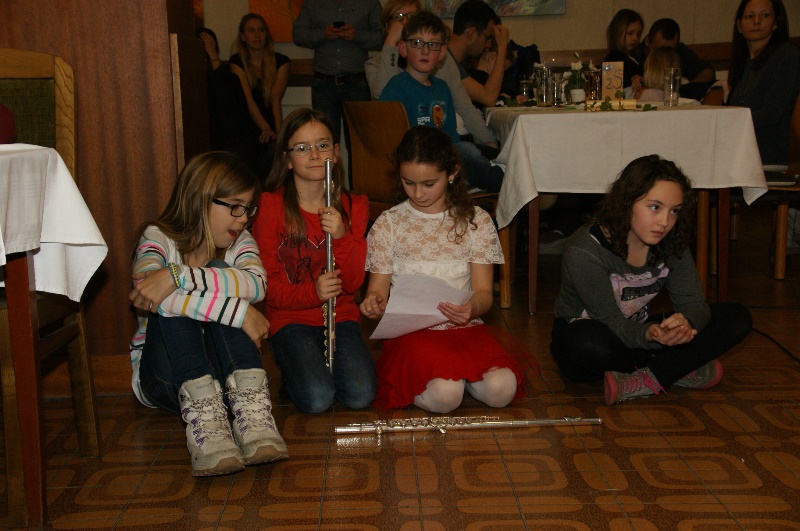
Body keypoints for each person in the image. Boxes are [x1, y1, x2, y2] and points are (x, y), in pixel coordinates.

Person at [129, 151, 287, 477]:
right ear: (200, 198)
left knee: (218, 271)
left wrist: (178, 276)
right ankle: (205, 422)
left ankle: (251, 415)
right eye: (235, 207)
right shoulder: (157, 237)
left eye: (249, 208)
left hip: (223, 380)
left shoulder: (240, 241)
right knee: (209, 287)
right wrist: (239, 312)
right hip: (164, 378)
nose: (243, 219)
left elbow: (257, 285)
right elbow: (150, 295)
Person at [550, 155, 752, 406]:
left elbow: (694, 303)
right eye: (655, 207)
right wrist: (651, 335)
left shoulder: (671, 241)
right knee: (589, 344)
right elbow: (612, 322)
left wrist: (685, 323)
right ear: (626, 202)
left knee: (737, 317)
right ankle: (674, 369)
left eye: (674, 211)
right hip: (594, 334)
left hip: (642, 334)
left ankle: (649, 376)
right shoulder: (584, 251)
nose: (665, 222)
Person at [360, 126, 524, 413]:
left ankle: (461, 375)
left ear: (452, 173)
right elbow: (377, 289)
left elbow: (484, 293)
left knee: (502, 390)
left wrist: (471, 309)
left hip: (463, 327)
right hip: (412, 333)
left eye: (428, 183)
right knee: (445, 396)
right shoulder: (390, 223)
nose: (418, 193)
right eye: (408, 182)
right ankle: (447, 379)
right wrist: (373, 302)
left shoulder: (476, 221)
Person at [251, 108, 377, 414]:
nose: (315, 155)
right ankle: (299, 371)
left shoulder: (355, 205)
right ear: (287, 159)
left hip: (340, 317)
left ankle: (315, 370)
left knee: (360, 395)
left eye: (322, 145)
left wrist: (342, 237)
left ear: (336, 151)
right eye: (302, 148)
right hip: (290, 320)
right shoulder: (269, 206)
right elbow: (268, 287)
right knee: (318, 398)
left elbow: (353, 284)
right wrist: (313, 292)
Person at [378, 11, 503, 192]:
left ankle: (487, 179)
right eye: (417, 43)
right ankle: (502, 181)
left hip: (446, 156)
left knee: (473, 151)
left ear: (442, 52)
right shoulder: (396, 88)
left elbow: (451, 136)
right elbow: (391, 141)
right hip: (417, 160)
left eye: (433, 45)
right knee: (469, 154)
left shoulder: (442, 88)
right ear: (403, 49)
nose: (425, 51)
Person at [364, 0, 499, 150]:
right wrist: (391, 42)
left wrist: (490, 143)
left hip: (446, 143)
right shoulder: (375, 66)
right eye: (398, 18)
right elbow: (384, 99)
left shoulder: (438, 59)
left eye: (412, 16)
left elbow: (465, 107)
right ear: (387, 27)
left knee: (475, 152)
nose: (405, 22)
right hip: (409, 148)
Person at [292, 0, 383, 142]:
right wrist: (322, 34)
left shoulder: (369, 3)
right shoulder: (312, 3)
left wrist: (357, 35)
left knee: (359, 141)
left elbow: (382, 37)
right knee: (324, 139)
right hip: (324, 83)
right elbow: (298, 35)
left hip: (357, 83)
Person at [727, 0, 800, 166]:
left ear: (776, 23)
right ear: (739, 25)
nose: (756, 21)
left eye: (765, 15)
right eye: (749, 16)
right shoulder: (743, 62)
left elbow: (772, 112)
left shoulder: (787, 55)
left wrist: (730, 122)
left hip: (770, 150)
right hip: (741, 145)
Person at [229, 14, 290, 181]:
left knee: (274, 150)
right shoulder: (236, 62)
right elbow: (248, 100)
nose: (257, 35)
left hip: (271, 119)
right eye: (251, 31)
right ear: (243, 36)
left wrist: (278, 132)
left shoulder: (281, 61)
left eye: (261, 30)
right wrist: (264, 128)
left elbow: (275, 98)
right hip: (247, 122)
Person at [446, 0, 509, 108]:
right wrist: (502, 46)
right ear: (471, 33)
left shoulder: (453, 60)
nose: (489, 44)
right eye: (487, 38)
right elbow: (489, 98)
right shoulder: (445, 61)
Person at [644, 18, 716, 100]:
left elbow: (707, 72)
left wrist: (682, 90)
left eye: (670, 52)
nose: (664, 56)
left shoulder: (679, 52)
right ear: (647, 42)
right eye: (658, 51)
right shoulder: (635, 52)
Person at [603, 9, 646, 94]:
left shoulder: (638, 55)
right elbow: (612, 90)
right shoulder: (613, 59)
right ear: (617, 32)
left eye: (638, 34)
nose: (635, 38)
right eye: (630, 33)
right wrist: (633, 78)